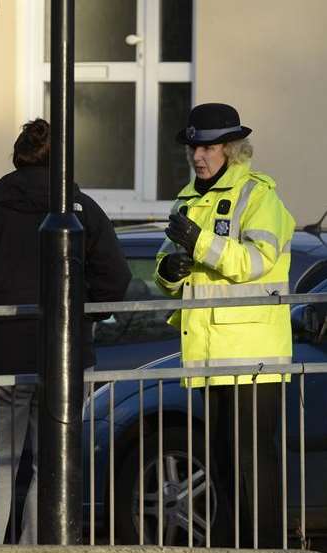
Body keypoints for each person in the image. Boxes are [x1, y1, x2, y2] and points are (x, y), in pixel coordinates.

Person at [0, 119, 131, 544]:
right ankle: (37, 545)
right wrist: (82, 319)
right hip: (64, 359)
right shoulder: (81, 209)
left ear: (17, 156)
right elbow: (114, 280)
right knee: (54, 463)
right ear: (61, 162)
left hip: (1, 358)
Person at [154, 103, 295, 548]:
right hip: (210, 355)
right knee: (222, 463)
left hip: (253, 356)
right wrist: (171, 271)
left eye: (209, 146)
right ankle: (234, 545)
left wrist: (199, 243)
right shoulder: (186, 199)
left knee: (254, 463)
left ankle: (266, 546)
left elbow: (256, 261)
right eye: (194, 146)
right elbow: (162, 269)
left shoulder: (259, 196)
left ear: (232, 149)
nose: (198, 155)